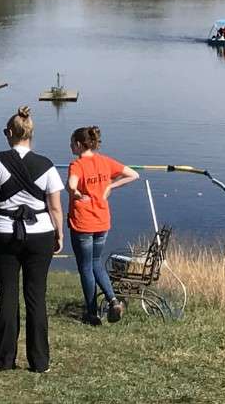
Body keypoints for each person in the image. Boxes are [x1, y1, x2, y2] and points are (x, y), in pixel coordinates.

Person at [0, 106, 64, 372]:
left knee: (7, 294)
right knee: (36, 296)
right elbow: (55, 206)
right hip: (39, 232)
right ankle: (39, 361)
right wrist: (59, 232)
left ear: (9, 133)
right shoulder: (46, 165)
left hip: (4, 231)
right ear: (31, 134)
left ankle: (4, 359)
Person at [67, 127, 140, 325]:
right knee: (96, 262)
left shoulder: (78, 164)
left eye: (72, 142)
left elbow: (72, 185)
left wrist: (75, 194)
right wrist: (109, 186)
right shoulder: (105, 161)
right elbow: (133, 175)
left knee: (85, 267)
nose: (70, 146)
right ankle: (113, 300)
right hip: (102, 221)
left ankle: (91, 313)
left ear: (80, 145)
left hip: (83, 223)